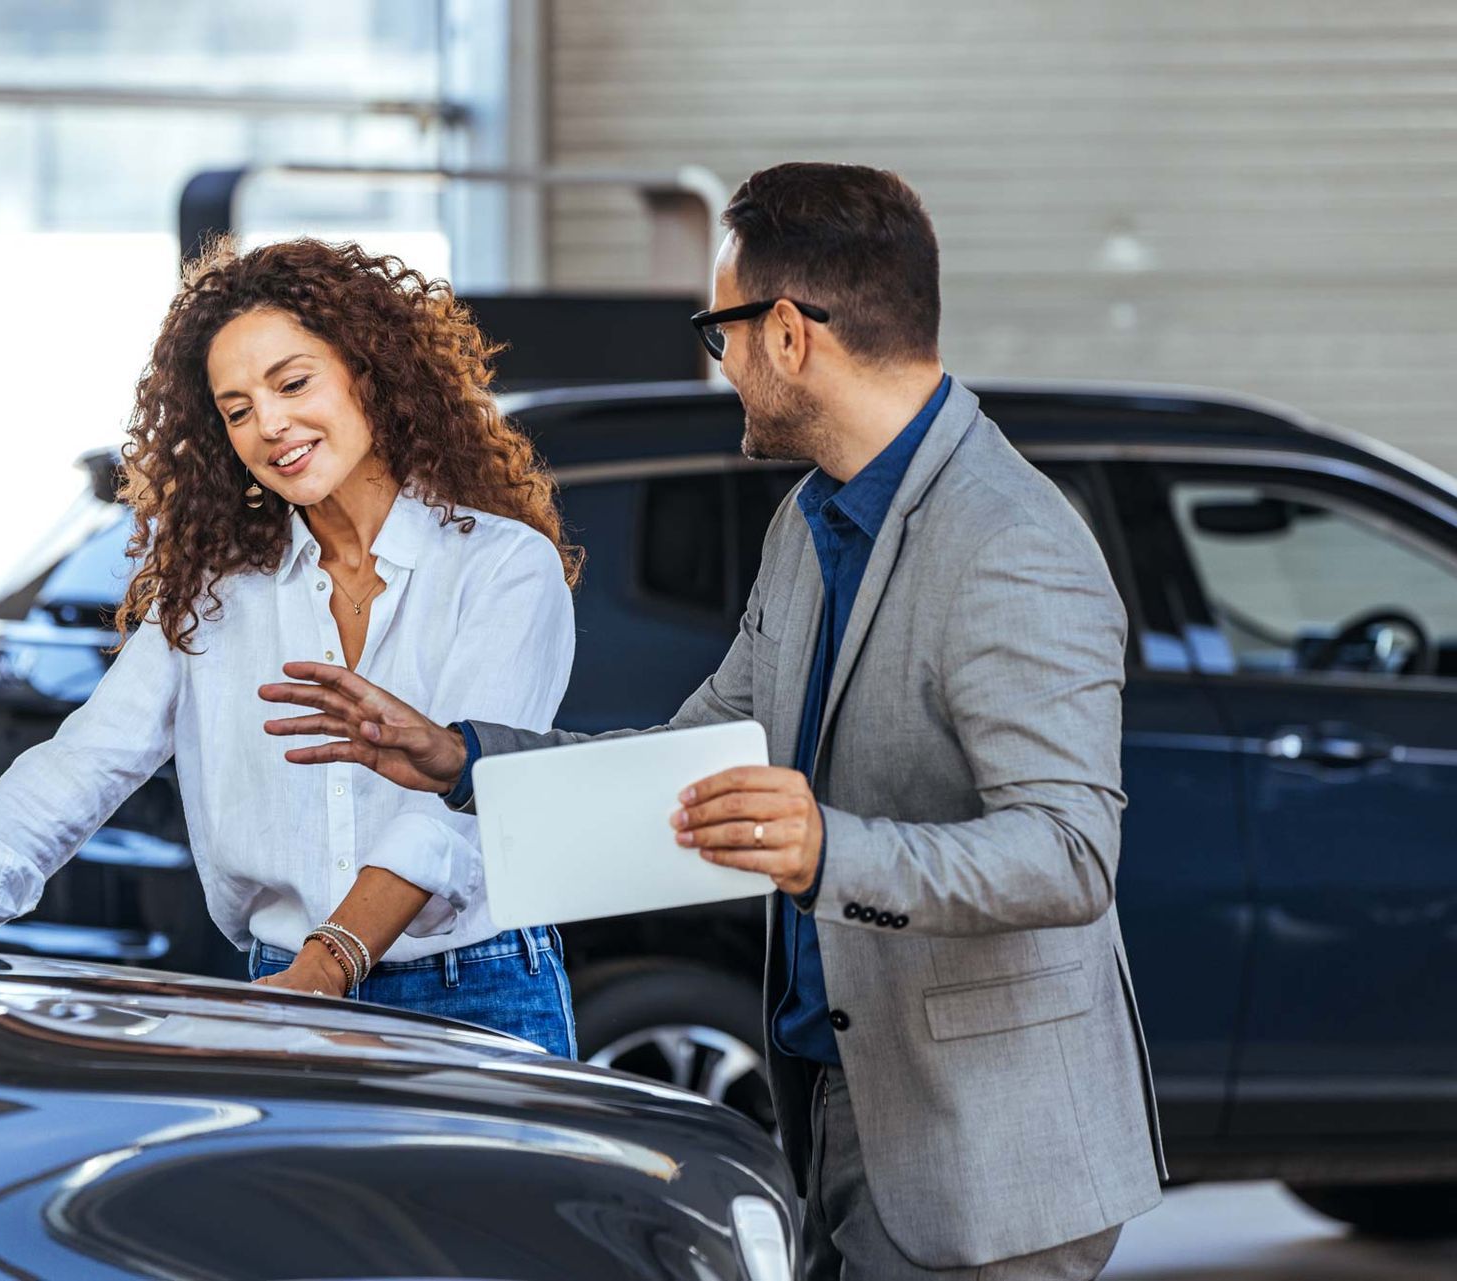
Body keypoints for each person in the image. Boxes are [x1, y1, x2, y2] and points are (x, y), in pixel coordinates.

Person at [259, 163, 1165, 1277]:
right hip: (841, 1112)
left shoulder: (1010, 540)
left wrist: (832, 849)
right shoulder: (809, 523)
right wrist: (461, 761)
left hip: (985, 1157)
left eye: (719, 329)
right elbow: (689, 758)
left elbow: (1070, 856)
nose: (718, 362)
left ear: (787, 334)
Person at [0, 236, 582, 1057]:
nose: (269, 423)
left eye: (293, 382)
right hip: (283, 992)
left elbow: (445, 816)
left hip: (473, 994)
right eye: (236, 409)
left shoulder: (503, 568)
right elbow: (78, 769)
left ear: (371, 373)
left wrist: (327, 966)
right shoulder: (217, 594)